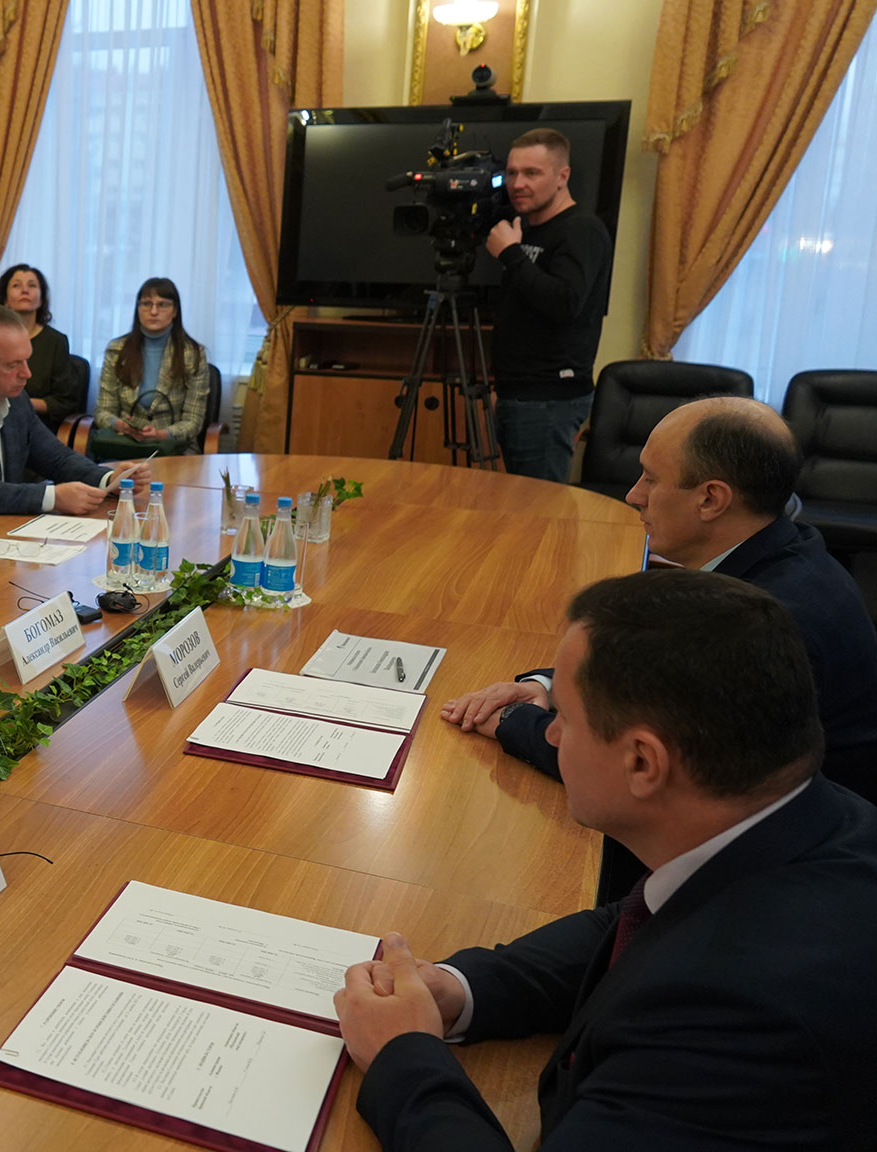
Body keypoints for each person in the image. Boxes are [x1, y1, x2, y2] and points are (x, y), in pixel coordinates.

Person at [334, 569, 877, 1150]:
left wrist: (403, 1057)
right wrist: (461, 989)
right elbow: (632, 924)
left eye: (564, 717)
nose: (549, 736)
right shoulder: (813, 819)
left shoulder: (737, 1018)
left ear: (642, 762)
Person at [442, 397, 877, 801]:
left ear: (711, 499)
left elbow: (631, 770)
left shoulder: (761, 623)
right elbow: (655, 671)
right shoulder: (782, 548)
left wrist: (510, 721)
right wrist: (547, 688)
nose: (633, 495)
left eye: (651, 479)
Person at [0, 306, 150, 516]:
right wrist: (50, 497)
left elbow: (55, 457)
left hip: (6, 529)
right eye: (13, 364)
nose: (27, 374)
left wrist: (107, 479)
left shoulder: (14, 397)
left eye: (27, 360)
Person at [484, 128, 613, 482]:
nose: (517, 184)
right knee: (518, 500)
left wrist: (511, 255)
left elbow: (565, 302)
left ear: (562, 176)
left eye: (532, 173)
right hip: (519, 393)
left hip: (549, 398)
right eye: (512, 173)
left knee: (537, 504)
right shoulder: (525, 227)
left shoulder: (581, 229)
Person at [87, 277, 211, 461]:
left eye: (162, 305)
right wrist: (118, 424)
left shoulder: (193, 354)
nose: (153, 311)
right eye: (146, 304)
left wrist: (162, 434)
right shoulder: (117, 349)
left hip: (174, 449)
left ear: (175, 311)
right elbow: (103, 411)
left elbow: (193, 421)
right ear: (137, 309)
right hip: (123, 446)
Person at [0, 263, 82, 434]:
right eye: (16, 285)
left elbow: (64, 402)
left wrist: (22, 404)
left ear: (41, 299)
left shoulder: (56, 342)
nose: (25, 290)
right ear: (5, 299)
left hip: (34, 427)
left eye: (32, 285)